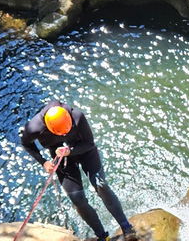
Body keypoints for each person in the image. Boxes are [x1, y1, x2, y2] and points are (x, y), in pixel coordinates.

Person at [20, 100, 138, 241]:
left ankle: (126, 227)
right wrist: (43, 162)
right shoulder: (34, 127)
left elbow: (89, 143)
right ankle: (102, 236)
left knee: (101, 186)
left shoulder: (77, 116)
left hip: (84, 150)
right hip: (61, 158)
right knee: (77, 199)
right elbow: (26, 144)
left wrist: (69, 151)